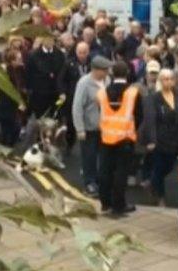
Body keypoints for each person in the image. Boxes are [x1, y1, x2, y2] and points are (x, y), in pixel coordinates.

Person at [97, 61, 141, 217]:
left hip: (106, 137)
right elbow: (139, 115)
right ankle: (119, 204)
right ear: (127, 72)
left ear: (111, 74)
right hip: (125, 138)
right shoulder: (133, 92)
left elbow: (100, 111)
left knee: (105, 171)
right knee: (120, 173)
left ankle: (105, 203)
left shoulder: (102, 93)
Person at [72, 55, 111, 195]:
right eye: (105, 70)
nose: (107, 72)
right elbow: (77, 107)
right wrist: (80, 129)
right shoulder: (84, 83)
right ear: (96, 70)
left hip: (104, 127)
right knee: (89, 156)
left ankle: (99, 180)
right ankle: (89, 182)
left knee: (103, 157)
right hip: (89, 128)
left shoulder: (107, 81)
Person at [142, 68, 178, 206]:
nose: (169, 82)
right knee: (159, 167)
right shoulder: (154, 98)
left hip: (174, 138)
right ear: (160, 81)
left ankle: (152, 183)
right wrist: (152, 140)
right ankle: (160, 196)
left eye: (171, 79)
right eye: (165, 79)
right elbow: (150, 120)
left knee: (169, 167)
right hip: (159, 138)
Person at [25, 35, 65, 119]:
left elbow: (62, 73)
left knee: (56, 117)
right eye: (47, 39)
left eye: (51, 39)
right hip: (40, 94)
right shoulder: (33, 55)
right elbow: (29, 75)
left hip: (55, 93)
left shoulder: (59, 54)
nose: (50, 41)